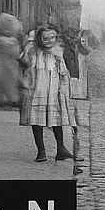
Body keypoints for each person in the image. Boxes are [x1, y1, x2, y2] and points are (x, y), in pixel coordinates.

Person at [21, 24, 76, 162]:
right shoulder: (34, 52)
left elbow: (63, 72)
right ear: (40, 39)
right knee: (37, 119)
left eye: (53, 37)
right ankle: (41, 151)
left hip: (54, 89)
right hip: (37, 89)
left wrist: (64, 88)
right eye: (46, 38)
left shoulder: (58, 51)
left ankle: (61, 148)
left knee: (57, 119)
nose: (50, 41)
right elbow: (26, 67)